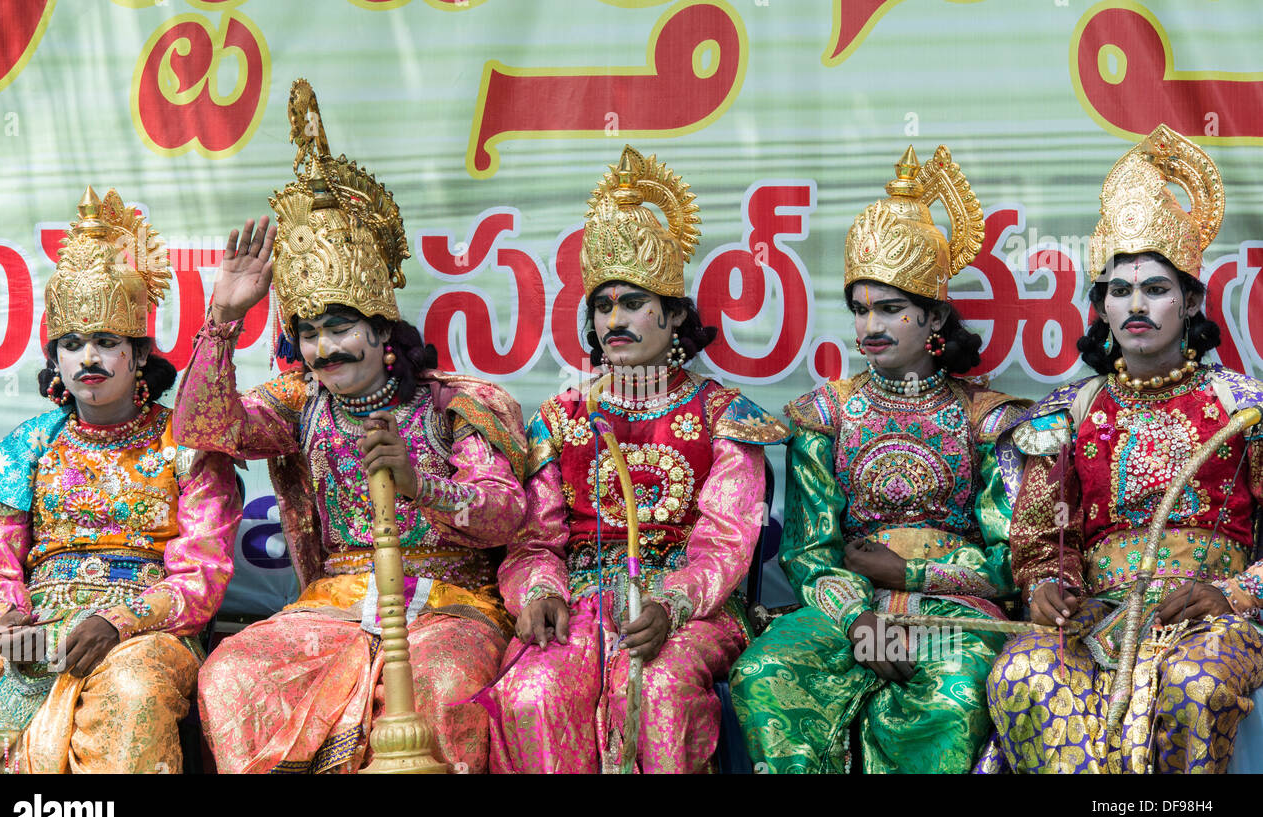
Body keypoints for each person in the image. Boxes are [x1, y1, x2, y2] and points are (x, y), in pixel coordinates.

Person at [174, 80, 528, 773]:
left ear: (383, 330)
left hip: (451, 603)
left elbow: (506, 514)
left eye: (341, 329)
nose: (323, 349)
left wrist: (420, 482)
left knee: (438, 685)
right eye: (308, 332)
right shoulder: (300, 403)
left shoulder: (458, 404)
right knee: (231, 674)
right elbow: (203, 427)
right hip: (333, 604)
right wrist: (221, 322)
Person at [488, 146, 788, 773]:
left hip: (686, 611)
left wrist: (670, 605)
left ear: (675, 315)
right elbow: (535, 540)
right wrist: (538, 592)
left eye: (633, 303)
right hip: (582, 604)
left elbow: (724, 544)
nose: (615, 320)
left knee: (653, 690)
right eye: (603, 306)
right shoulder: (563, 417)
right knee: (531, 692)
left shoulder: (722, 415)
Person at [730, 146, 1028, 773]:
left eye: (891, 308)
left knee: (954, 694)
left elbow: (1009, 560)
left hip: (953, 612)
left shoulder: (987, 419)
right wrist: (863, 615)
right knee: (764, 672)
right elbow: (810, 552)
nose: (871, 324)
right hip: (846, 607)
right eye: (861, 308)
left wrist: (916, 578)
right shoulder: (826, 414)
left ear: (934, 316)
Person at [978, 124, 1263, 773]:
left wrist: (1234, 596)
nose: (1136, 305)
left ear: (1190, 300)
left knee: (1196, 681)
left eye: (1156, 289)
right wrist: (1050, 584)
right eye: (1120, 290)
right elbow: (1039, 536)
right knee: (1023, 671)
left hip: (1213, 619)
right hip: (1099, 622)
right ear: (1101, 306)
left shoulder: (1245, 406)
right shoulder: (1068, 410)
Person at [0, 187, 240, 773]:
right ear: (55, 361)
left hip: (145, 631)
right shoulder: (30, 447)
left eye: (106, 342)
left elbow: (202, 576)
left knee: (131, 697)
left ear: (139, 355)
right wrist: (4, 618)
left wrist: (117, 621)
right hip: (32, 630)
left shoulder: (187, 446)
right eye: (71, 344)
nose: (88, 358)